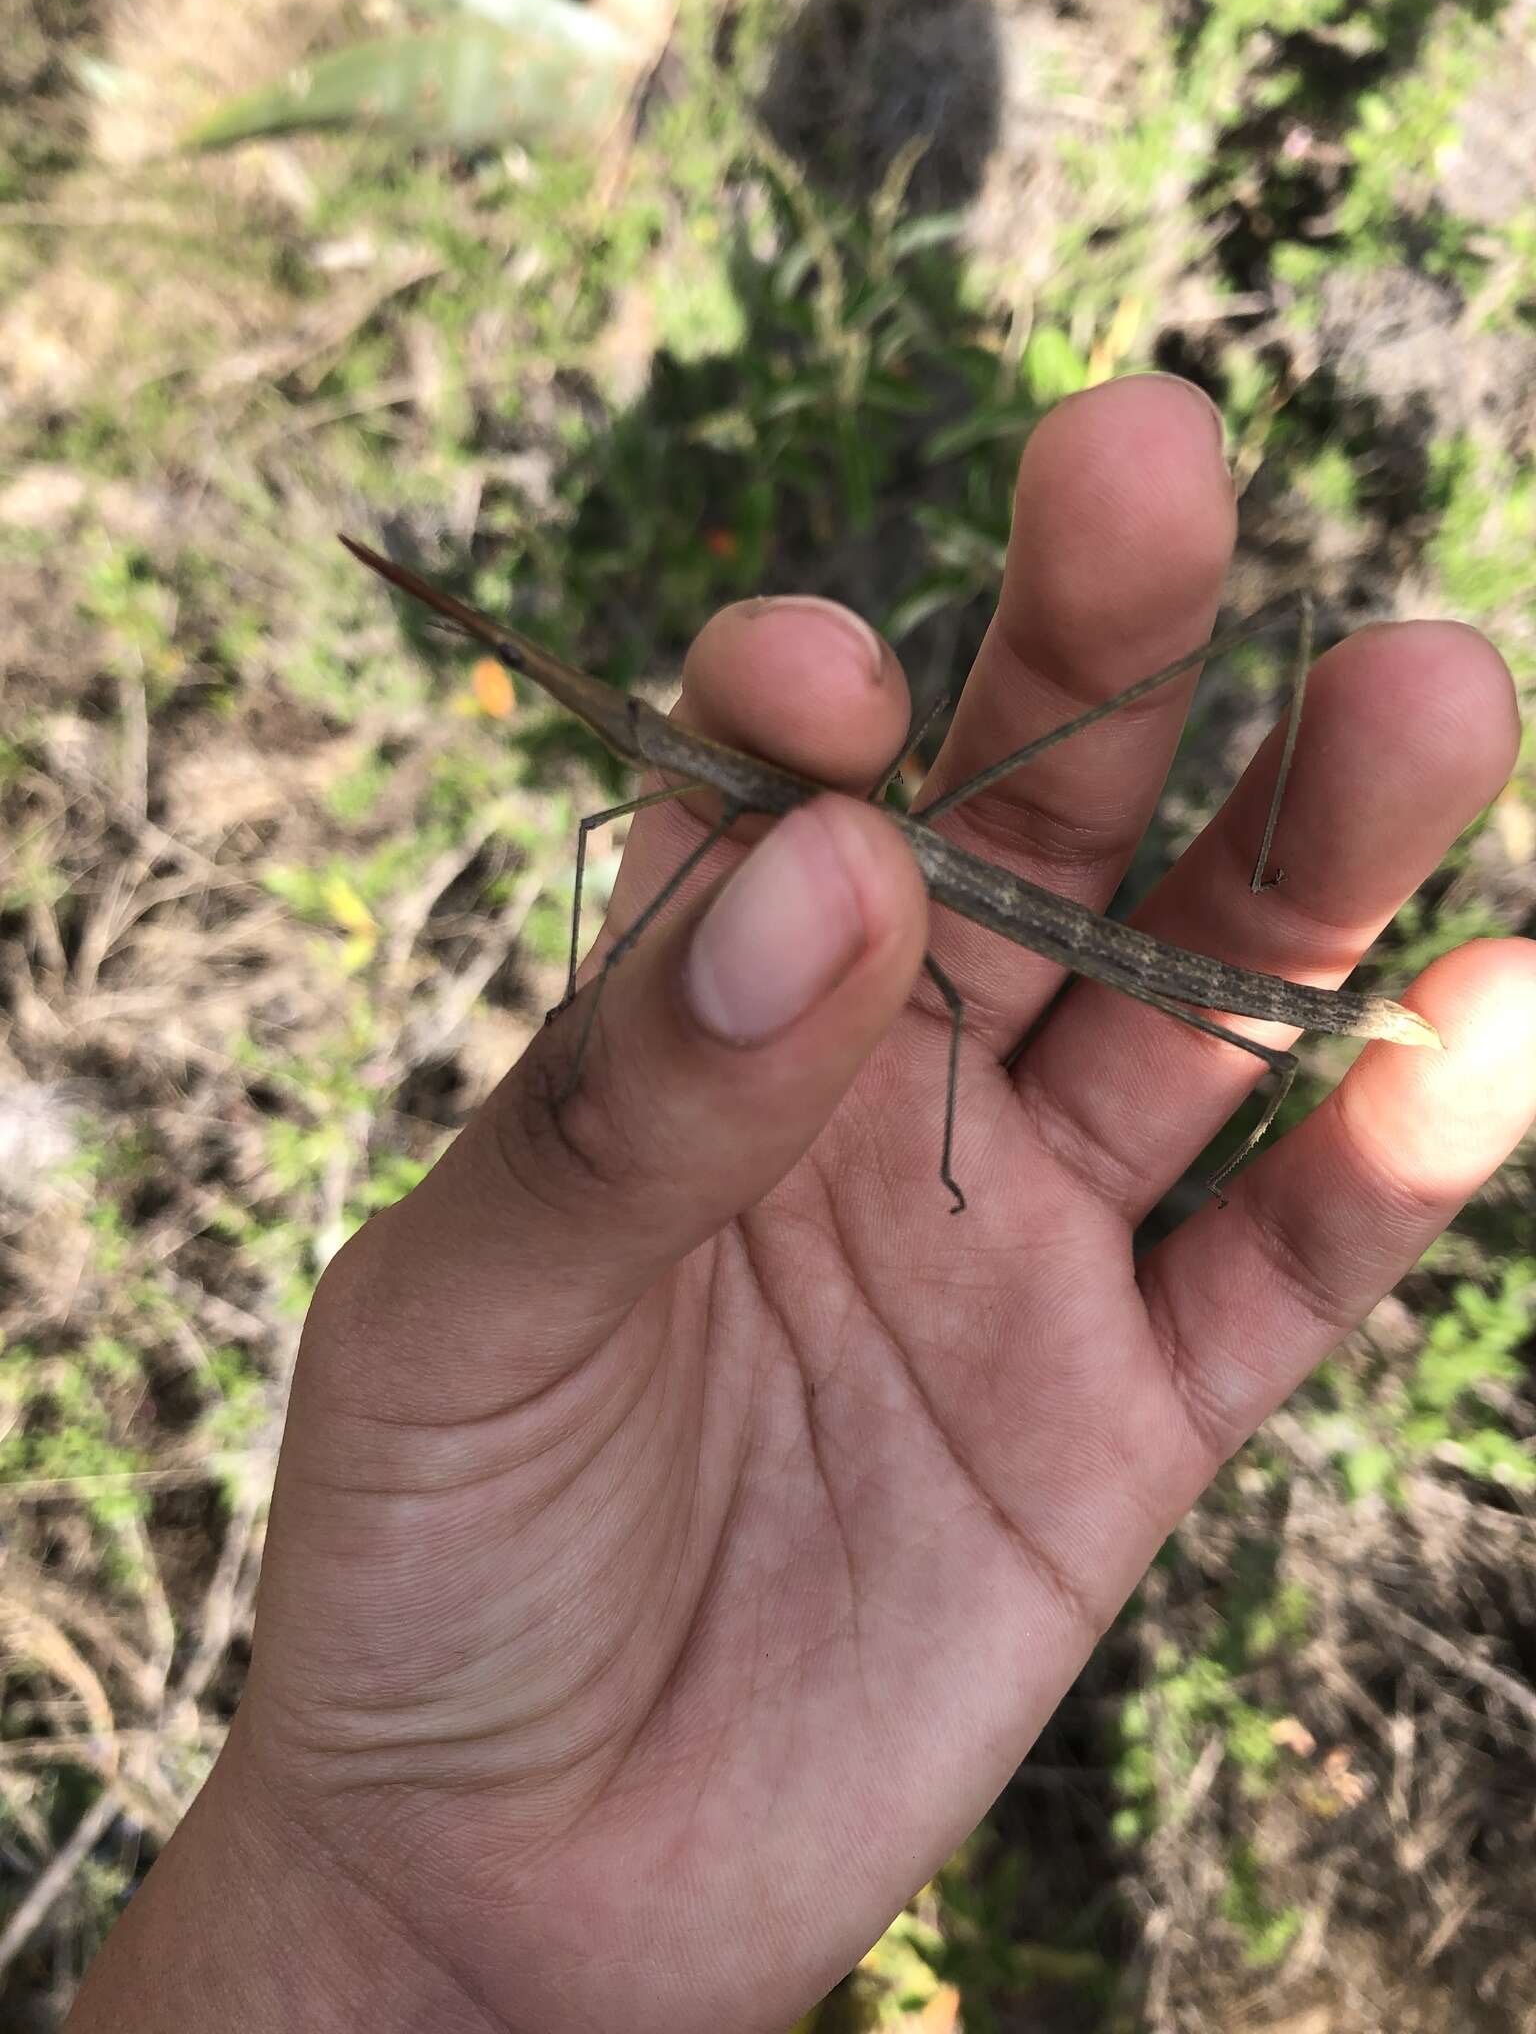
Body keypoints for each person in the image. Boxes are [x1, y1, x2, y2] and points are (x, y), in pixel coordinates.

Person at [64, 375, 1536, 2033]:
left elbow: (624, 836)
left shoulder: (696, 805)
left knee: (1145, 945)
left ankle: (1336, 919)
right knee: (1069, 939)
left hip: (1057, 929)